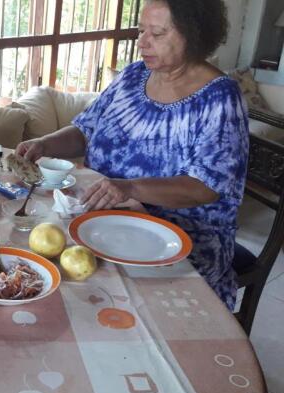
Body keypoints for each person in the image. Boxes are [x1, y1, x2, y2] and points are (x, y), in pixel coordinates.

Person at [15, 0, 248, 310]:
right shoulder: (133, 76)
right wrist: (44, 144)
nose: (142, 42)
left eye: (158, 33)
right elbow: (86, 130)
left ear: (193, 35)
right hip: (105, 220)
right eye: (141, 30)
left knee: (98, 299)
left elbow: (205, 187)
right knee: (43, 275)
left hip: (179, 239)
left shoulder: (219, 99)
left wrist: (130, 187)